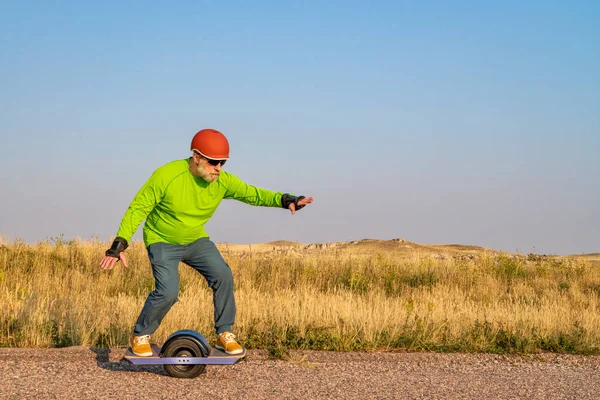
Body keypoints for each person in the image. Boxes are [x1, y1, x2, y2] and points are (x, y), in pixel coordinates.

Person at [99, 128, 313, 356]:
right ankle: (139, 335)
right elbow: (138, 208)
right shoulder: (166, 175)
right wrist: (119, 245)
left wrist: (286, 199)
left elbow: (253, 194)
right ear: (197, 157)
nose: (218, 168)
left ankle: (224, 333)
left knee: (222, 275)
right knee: (168, 292)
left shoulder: (222, 181)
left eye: (222, 163)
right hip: (162, 240)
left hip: (195, 239)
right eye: (213, 162)